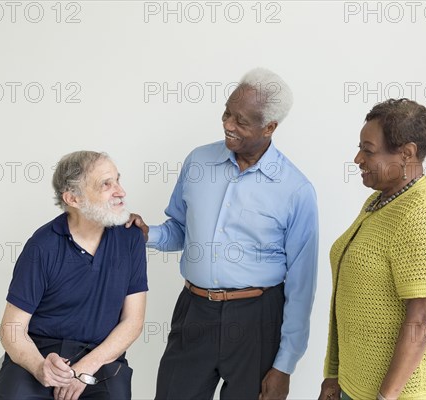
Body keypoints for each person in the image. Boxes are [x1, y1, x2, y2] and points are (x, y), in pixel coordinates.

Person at [128, 68, 319, 400]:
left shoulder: (296, 190)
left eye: (242, 121)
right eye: (227, 113)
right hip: (194, 311)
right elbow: (180, 230)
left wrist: (285, 366)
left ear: (270, 127)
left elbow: (302, 285)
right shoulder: (198, 162)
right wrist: (148, 234)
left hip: (257, 320)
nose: (229, 124)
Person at [318, 99, 426, 400]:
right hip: (355, 385)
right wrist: (334, 375)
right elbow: (349, 293)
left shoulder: (422, 214)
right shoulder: (380, 202)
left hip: (397, 394)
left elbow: (422, 318)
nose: (357, 158)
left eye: (368, 150)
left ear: (406, 153)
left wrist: (385, 397)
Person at [0, 151, 148, 400]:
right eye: (105, 184)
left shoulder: (130, 238)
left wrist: (85, 367)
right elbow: (12, 328)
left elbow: (133, 322)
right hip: (42, 352)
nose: (120, 191)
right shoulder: (42, 246)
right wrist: (40, 367)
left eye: (117, 180)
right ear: (73, 198)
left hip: (100, 356)